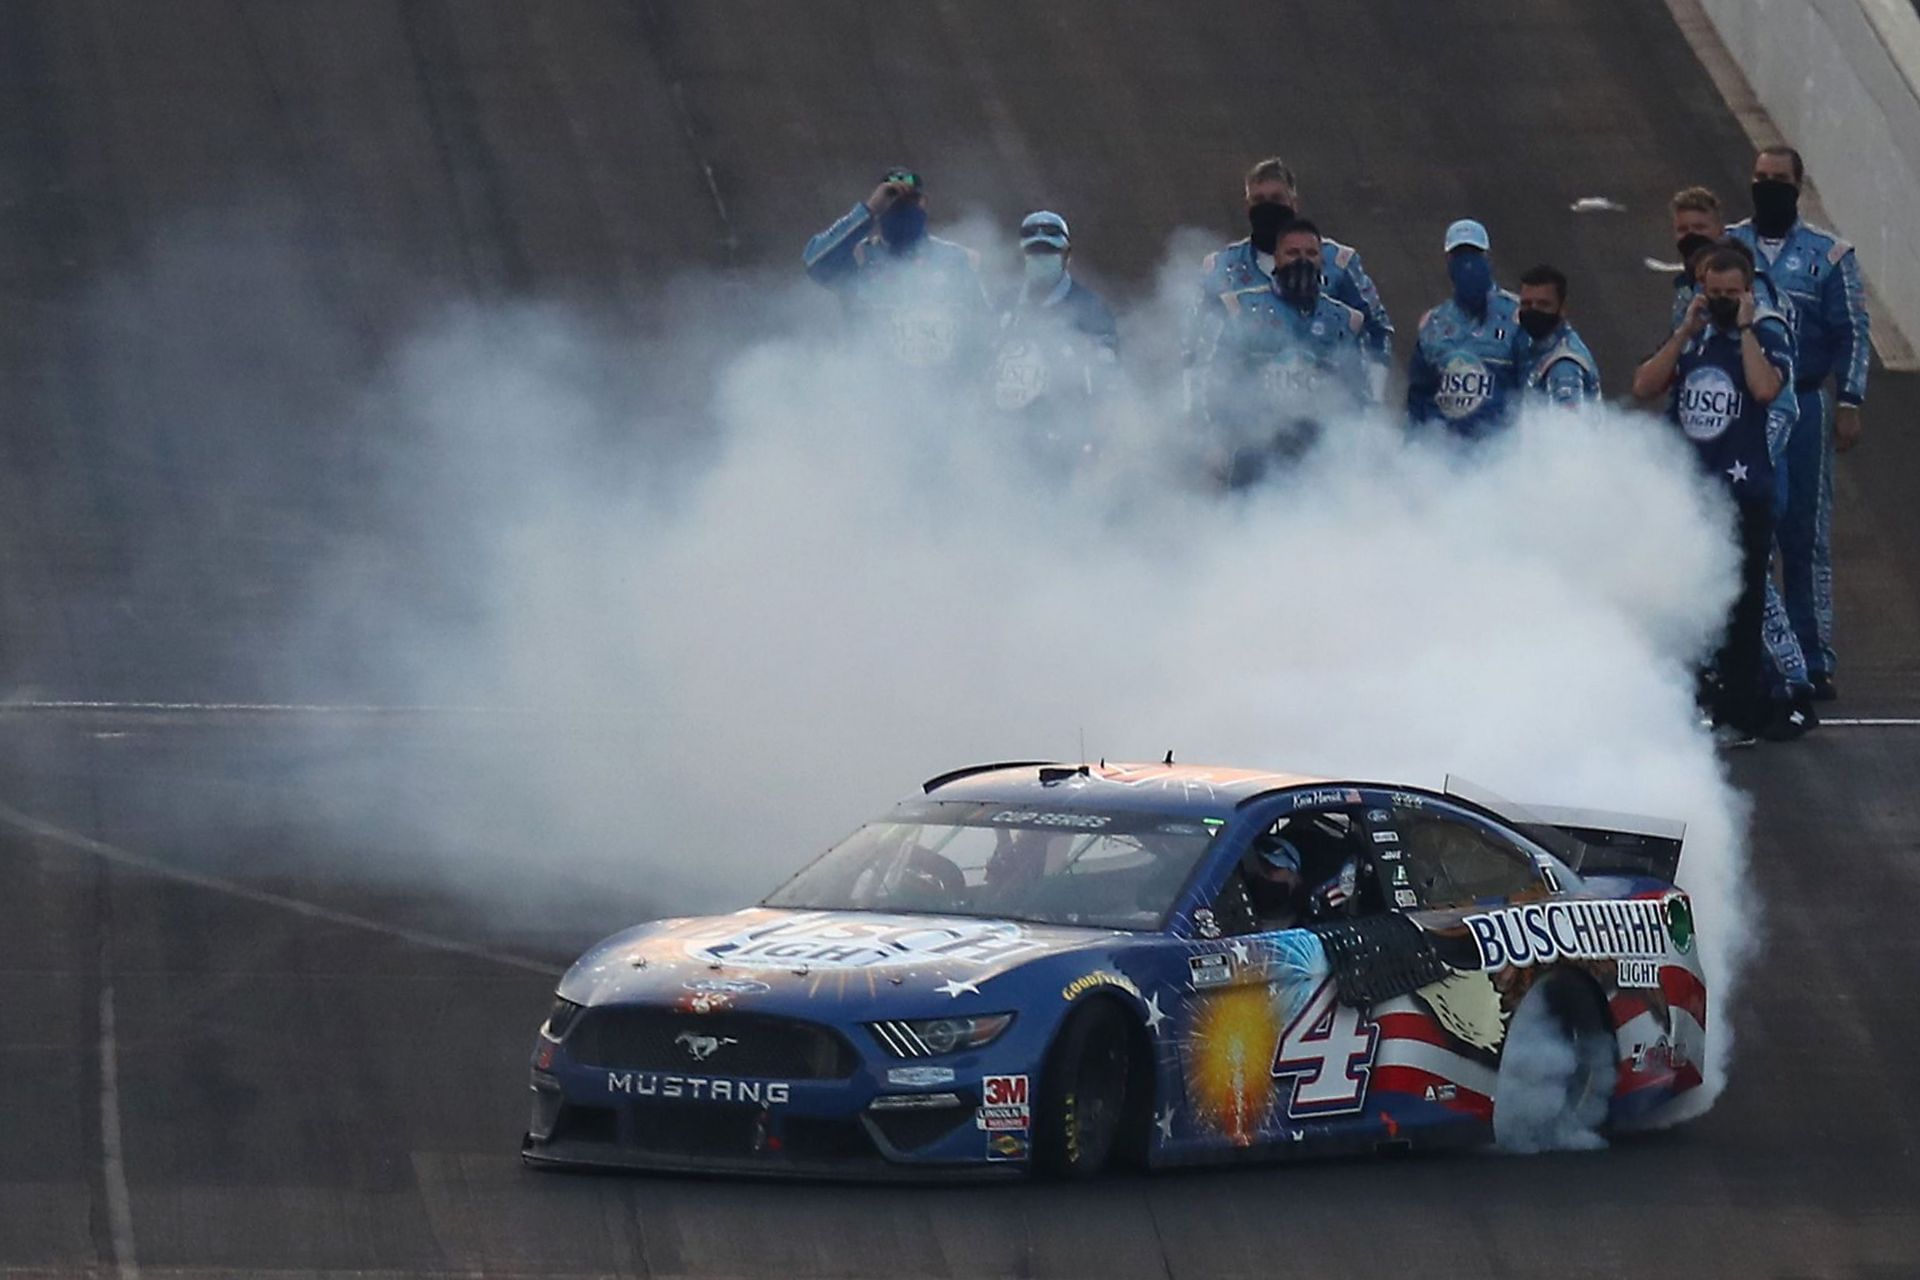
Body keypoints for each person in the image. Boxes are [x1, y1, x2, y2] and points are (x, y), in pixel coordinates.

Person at [1665, 188, 1816, 734]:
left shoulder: (1765, 319)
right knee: (1705, 589)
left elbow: (1776, 401)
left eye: (1700, 230)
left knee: (1755, 594)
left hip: (1748, 475)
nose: (1690, 239)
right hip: (1705, 479)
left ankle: (1791, 683)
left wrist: (1749, 464)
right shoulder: (1690, 307)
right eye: (1682, 230)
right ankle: (1719, 685)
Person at [1632, 247, 1795, 744]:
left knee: (1742, 607)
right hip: (1691, 497)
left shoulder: (1768, 332)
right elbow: (1644, 385)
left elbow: (1766, 389)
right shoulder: (1692, 337)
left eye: (1731, 294)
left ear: (1747, 291)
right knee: (1687, 601)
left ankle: (1740, 714)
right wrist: (1684, 330)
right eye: (1714, 292)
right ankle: (1688, 703)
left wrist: (1744, 329)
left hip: (1744, 494)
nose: (1721, 301)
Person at [1726, 145, 1871, 702]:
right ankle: (1757, 656)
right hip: (1745, 411)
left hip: (1805, 405)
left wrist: (1852, 400)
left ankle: (1813, 658)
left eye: (1778, 179)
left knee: (1804, 538)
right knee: (1748, 536)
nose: (1768, 187)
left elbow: (1852, 332)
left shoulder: (1829, 255)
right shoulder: (1729, 246)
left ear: (1799, 185)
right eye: (1760, 177)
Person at [1185, 157, 1393, 402]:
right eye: (1259, 200)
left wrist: (1373, 401)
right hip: (1250, 417)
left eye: (1276, 199)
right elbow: (1195, 340)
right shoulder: (1221, 266)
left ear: (1294, 202)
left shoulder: (1339, 262)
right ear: (1247, 205)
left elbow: (1378, 330)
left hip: (1325, 412)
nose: (1268, 207)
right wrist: (1194, 408)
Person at [1197, 219, 1371, 485]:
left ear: (1321, 260)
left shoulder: (1344, 320)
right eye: (1292, 253)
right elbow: (1218, 382)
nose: (1302, 260)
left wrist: (1354, 449)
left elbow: (1356, 394)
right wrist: (1219, 440)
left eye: (1310, 253)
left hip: (1320, 457)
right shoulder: (1241, 309)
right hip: (1256, 450)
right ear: (1276, 258)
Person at [802, 167, 989, 369]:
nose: (901, 207)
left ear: (924, 203)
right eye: (892, 200)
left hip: (940, 386)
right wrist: (868, 210)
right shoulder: (860, 258)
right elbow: (813, 260)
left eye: (909, 200)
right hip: (874, 387)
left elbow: (983, 329)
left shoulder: (954, 259)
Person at [986, 211, 1119, 464]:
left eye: (1049, 252)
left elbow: (1108, 382)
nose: (1041, 259)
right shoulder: (1005, 306)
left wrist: (1098, 441)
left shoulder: (1090, 310)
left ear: (1066, 256)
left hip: (1066, 443)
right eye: (1034, 253)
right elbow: (985, 366)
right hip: (1007, 441)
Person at [1406, 220, 1532, 437]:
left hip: (1501, 456)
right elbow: (1418, 397)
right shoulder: (1433, 324)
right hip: (1443, 455)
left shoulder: (1518, 316)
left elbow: (1531, 390)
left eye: (1473, 252)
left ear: (1487, 256)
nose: (1467, 263)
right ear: (1448, 260)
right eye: (1459, 254)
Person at [1515, 265, 1602, 406]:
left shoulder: (1564, 366)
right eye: (1526, 304)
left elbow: (1569, 425)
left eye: (1543, 304)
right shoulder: (1537, 347)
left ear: (1562, 308)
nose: (1533, 310)